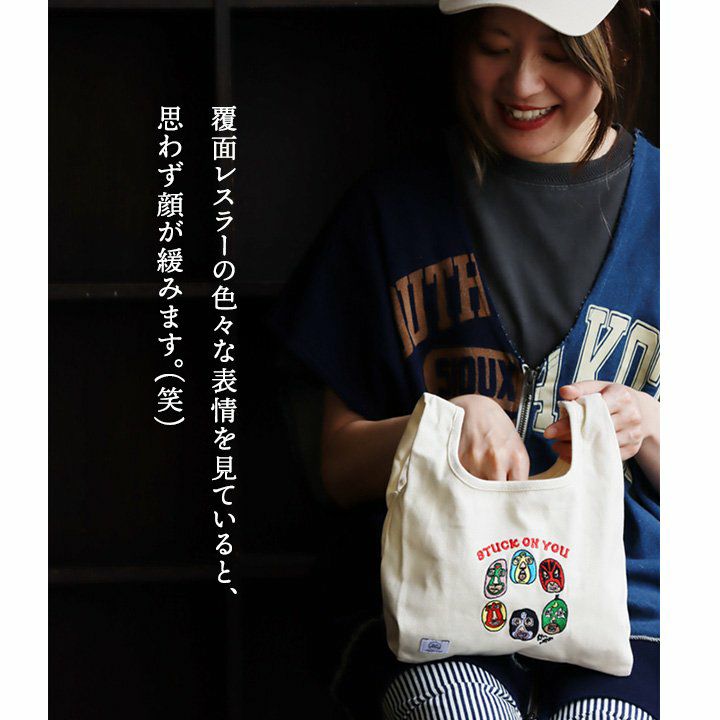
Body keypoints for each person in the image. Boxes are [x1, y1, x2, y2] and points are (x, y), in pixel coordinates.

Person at [271, 0, 659, 717]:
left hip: (639, 620)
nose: (523, 83)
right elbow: (337, 466)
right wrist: (439, 427)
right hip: (435, 603)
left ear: (622, 42)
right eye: (494, 46)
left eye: (559, 52)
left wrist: (650, 427)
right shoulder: (392, 213)